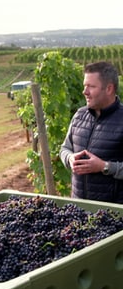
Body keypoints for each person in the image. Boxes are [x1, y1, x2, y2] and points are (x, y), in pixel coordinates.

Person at [59, 61, 123, 203]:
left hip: (113, 214)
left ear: (109, 88)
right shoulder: (79, 115)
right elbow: (65, 148)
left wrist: (104, 167)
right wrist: (69, 158)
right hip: (78, 209)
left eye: (91, 86)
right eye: (84, 86)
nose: (84, 92)